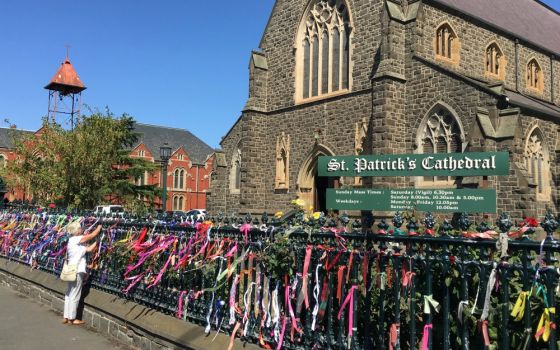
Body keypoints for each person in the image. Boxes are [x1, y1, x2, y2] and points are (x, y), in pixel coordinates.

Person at [62, 222, 102, 325]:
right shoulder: (76, 239)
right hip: (77, 270)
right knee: (75, 294)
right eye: (80, 228)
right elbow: (92, 235)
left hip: (71, 270)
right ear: (76, 231)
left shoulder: (73, 241)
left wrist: (98, 241)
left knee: (69, 293)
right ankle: (73, 319)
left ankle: (66, 317)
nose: (82, 229)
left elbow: (88, 249)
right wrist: (99, 228)